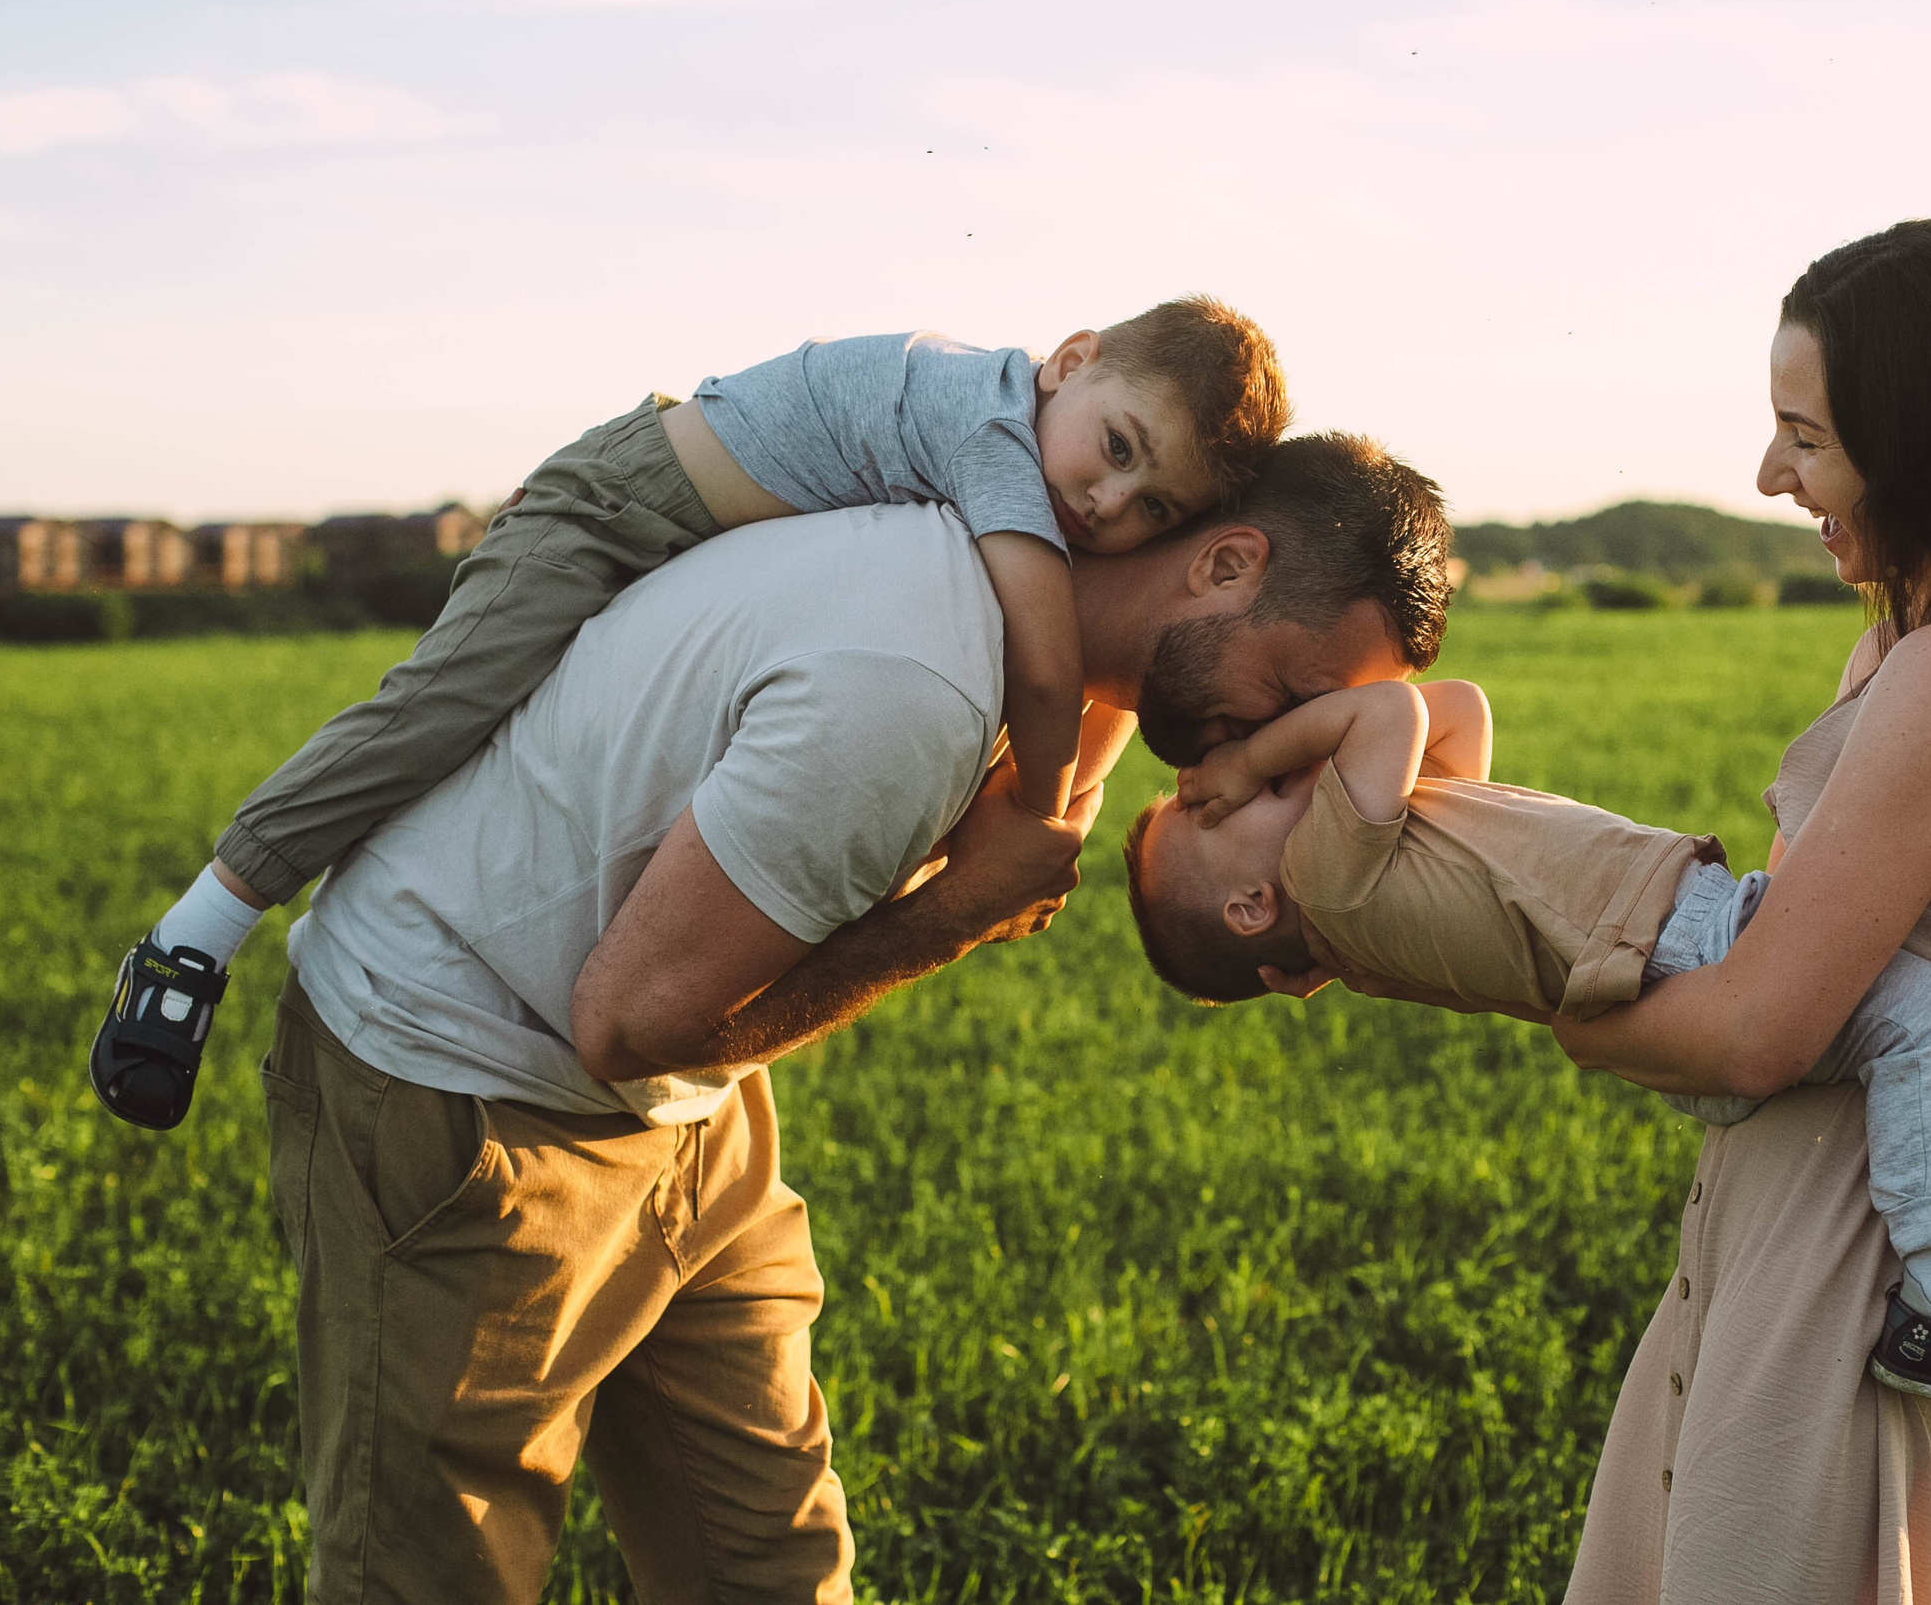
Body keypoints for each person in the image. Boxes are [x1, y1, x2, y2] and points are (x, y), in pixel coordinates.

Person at [246, 431, 1451, 1600]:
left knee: (769, 1569)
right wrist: (959, 913)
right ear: (1227, 561)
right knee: (435, 1578)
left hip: (683, 1108)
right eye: (1292, 691)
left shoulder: (1051, 627)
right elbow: (623, 1020)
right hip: (463, 1097)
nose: (1275, 739)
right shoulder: (912, 684)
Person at [1269, 221, 1931, 1599]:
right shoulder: (1921, 644)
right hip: (1846, 1210)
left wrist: (1572, 1003)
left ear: (1924, 442)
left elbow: (1753, 1033)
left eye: (1805, 434)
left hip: (1863, 1244)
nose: (1768, 475)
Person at [88, 297, 1289, 1130]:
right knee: (436, 712)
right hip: (609, 509)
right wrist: (1035, 821)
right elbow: (1048, 662)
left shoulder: (1037, 444)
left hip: (684, 538)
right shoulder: (994, 435)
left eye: (1150, 506)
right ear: (1072, 359)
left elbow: (1084, 675)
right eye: (1117, 448)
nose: (1106, 498)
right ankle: (198, 931)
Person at [1123, 675, 1931, 1423]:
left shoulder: (1369, 873)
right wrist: (1253, 760)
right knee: (1923, 1010)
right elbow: (1391, 712)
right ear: (1254, 906)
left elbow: (1452, 710)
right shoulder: (1330, 878)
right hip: (1673, 954)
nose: (1243, 780)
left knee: (1902, 988)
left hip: (1671, 949)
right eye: (1214, 811)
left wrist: (1268, 778)